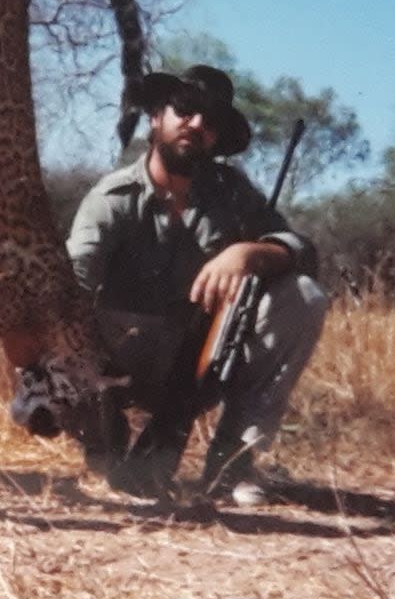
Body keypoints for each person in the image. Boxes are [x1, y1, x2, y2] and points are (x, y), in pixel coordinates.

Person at [65, 64, 328, 504]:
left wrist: (248, 253)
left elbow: (301, 250)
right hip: (117, 365)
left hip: (202, 366)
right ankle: (104, 444)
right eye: (185, 110)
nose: (197, 124)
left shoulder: (232, 191)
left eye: (212, 119)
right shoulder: (109, 200)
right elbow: (71, 287)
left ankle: (232, 465)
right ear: (156, 117)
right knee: (115, 469)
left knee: (304, 296)